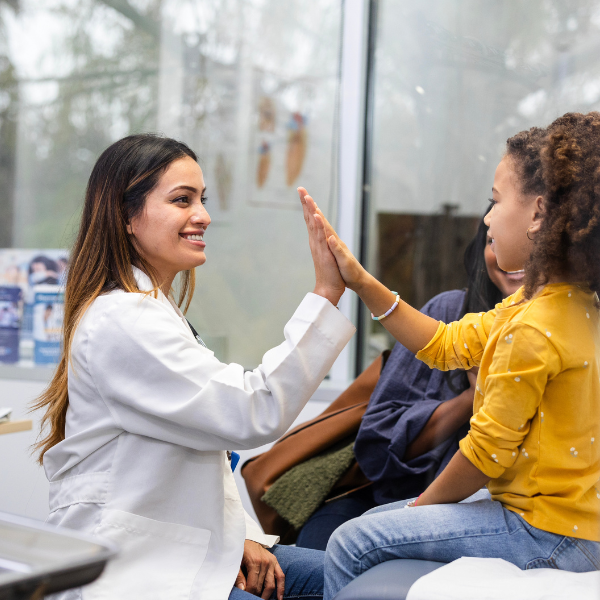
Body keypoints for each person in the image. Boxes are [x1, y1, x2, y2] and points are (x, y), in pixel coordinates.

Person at [32, 134, 355, 600]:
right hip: (135, 566)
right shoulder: (123, 319)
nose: (202, 215)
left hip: (191, 548)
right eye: (182, 200)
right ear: (126, 217)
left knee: (357, 572)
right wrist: (325, 294)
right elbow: (249, 412)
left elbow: (202, 447)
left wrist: (241, 534)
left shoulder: (151, 311)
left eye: (202, 199)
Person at [301, 113, 600, 599]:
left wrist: (420, 508)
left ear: (540, 213)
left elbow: (483, 456)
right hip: (567, 524)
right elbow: (443, 344)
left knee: (352, 541)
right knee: (378, 519)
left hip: (549, 535)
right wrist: (358, 280)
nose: (486, 219)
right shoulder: (564, 304)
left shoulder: (531, 329)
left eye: (496, 201)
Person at [295, 207, 525, 551]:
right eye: (492, 240)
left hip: (480, 514)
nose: (512, 254)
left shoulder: (557, 329)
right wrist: (469, 398)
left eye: (527, 242)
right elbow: (376, 445)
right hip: (391, 494)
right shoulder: (450, 313)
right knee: (319, 554)